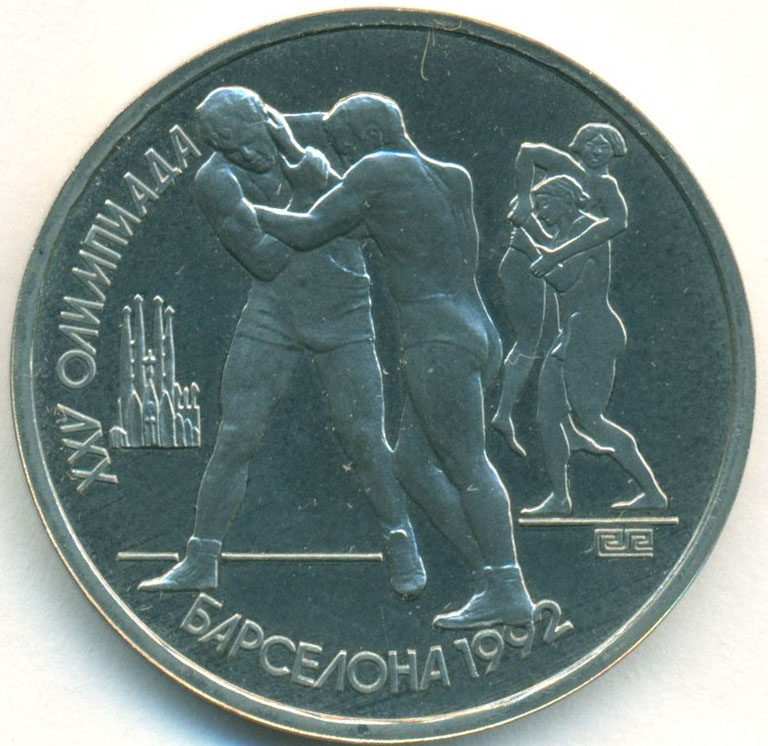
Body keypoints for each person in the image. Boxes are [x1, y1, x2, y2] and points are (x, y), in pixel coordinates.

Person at [252, 93, 534, 629]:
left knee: (468, 464)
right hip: (476, 330)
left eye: (345, 147)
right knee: (412, 465)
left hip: (435, 339)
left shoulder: (377, 169)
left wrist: (243, 211)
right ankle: (491, 578)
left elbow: (310, 229)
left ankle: (508, 586)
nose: (346, 158)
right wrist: (293, 150)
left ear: (366, 139)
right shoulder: (451, 177)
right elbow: (356, 218)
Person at [139, 87, 426, 598]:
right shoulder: (216, 180)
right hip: (273, 312)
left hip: (344, 309)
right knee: (236, 435)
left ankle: (402, 541)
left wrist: (310, 178)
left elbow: (371, 221)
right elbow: (265, 260)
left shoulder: (322, 131)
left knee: (364, 436)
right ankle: (201, 558)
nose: (247, 153)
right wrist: (312, 193)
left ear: (264, 119)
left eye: (250, 140)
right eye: (230, 148)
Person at [512, 174, 667, 515]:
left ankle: (652, 492)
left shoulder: (590, 232)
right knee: (547, 417)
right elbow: (556, 261)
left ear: (565, 199)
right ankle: (560, 498)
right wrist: (532, 235)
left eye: (544, 205)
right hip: (570, 334)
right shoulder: (565, 233)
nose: (540, 213)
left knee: (591, 419)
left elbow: (563, 280)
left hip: (593, 332)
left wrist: (529, 249)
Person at [493, 123, 630, 456]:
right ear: (579, 146)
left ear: (614, 152)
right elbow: (527, 151)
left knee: (555, 338)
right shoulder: (565, 166)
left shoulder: (606, 186)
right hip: (530, 262)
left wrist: (555, 251)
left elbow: (617, 223)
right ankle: (503, 415)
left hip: (552, 261)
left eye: (604, 145)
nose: (597, 150)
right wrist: (524, 198)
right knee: (531, 341)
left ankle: (566, 428)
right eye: (591, 143)